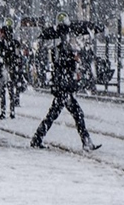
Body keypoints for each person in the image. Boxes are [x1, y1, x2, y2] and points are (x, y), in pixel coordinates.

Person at [31, 20, 101, 151]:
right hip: (63, 88)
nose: (72, 39)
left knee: (69, 114)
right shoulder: (61, 51)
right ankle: (37, 137)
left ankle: (38, 137)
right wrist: (72, 61)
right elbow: (61, 67)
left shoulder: (66, 50)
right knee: (62, 114)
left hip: (65, 88)